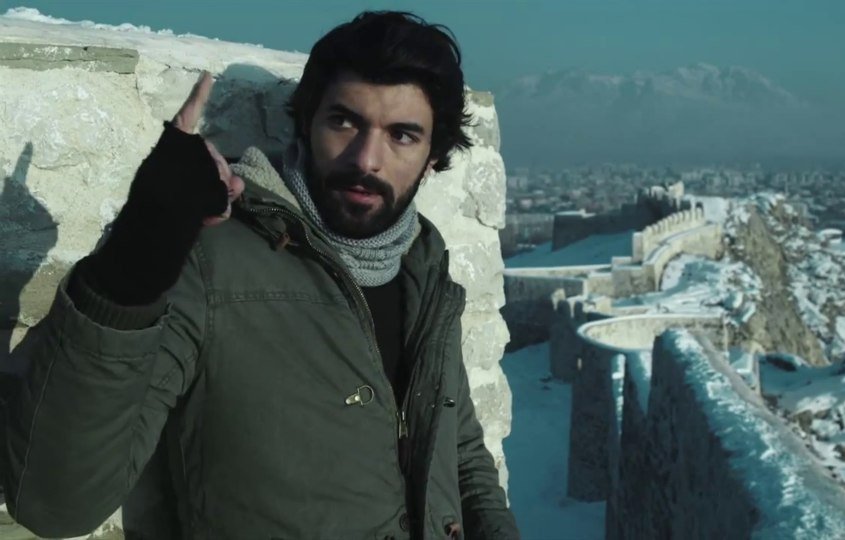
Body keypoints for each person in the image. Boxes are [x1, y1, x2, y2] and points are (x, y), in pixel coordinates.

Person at [1, 11, 520, 540]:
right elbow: (56, 504)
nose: (367, 159)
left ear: (433, 157)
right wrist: (136, 254)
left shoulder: (423, 269)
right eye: (344, 122)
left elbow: (459, 453)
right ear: (306, 122)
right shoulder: (209, 263)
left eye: (402, 135)